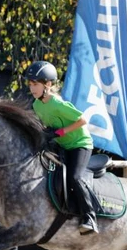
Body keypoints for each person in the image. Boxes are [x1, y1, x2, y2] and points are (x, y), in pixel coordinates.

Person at [25, 61, 98, 235]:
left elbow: (83, 120)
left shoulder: (57, 104)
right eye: (30, 84)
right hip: (62, 145)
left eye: (35, 84)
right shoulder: (36, 105)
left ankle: (90, 216)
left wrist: (59, 132)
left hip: (80, 145)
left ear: (48, 84)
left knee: (74, 177)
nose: (32, 88)